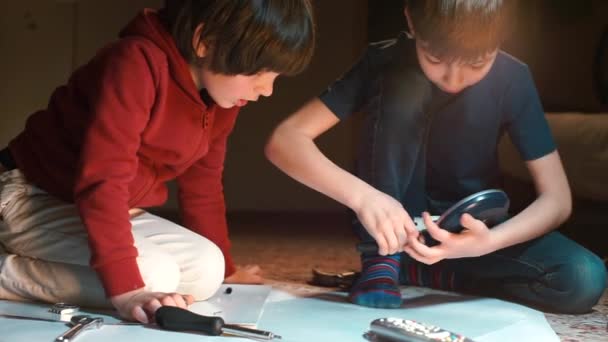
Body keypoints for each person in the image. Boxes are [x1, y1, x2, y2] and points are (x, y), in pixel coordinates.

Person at [265, 0, 606, 314]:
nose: (453, 80)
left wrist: (489, 242)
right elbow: (286, 140)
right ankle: (387, 260)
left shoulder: (513, 78)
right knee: (405, 81)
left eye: (476, 63)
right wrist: (364, 197)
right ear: (411, 21)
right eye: (436, 58)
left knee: (584, 277)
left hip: (472, 234)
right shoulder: (382, 61)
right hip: (393, 230)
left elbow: (557, 199)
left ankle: (430, 272)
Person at [0, 0, 315, 323]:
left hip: (102, 206)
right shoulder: (135, 63)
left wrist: (229, 272)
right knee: (150, 276)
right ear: (205, 42)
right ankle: (6, 272)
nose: (267, 90)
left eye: (275, 76)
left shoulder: (222, 100)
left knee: (209, 269)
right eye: (258, 72)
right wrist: (128, 291)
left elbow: (203, 185)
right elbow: (103, 180)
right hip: (29, 195)